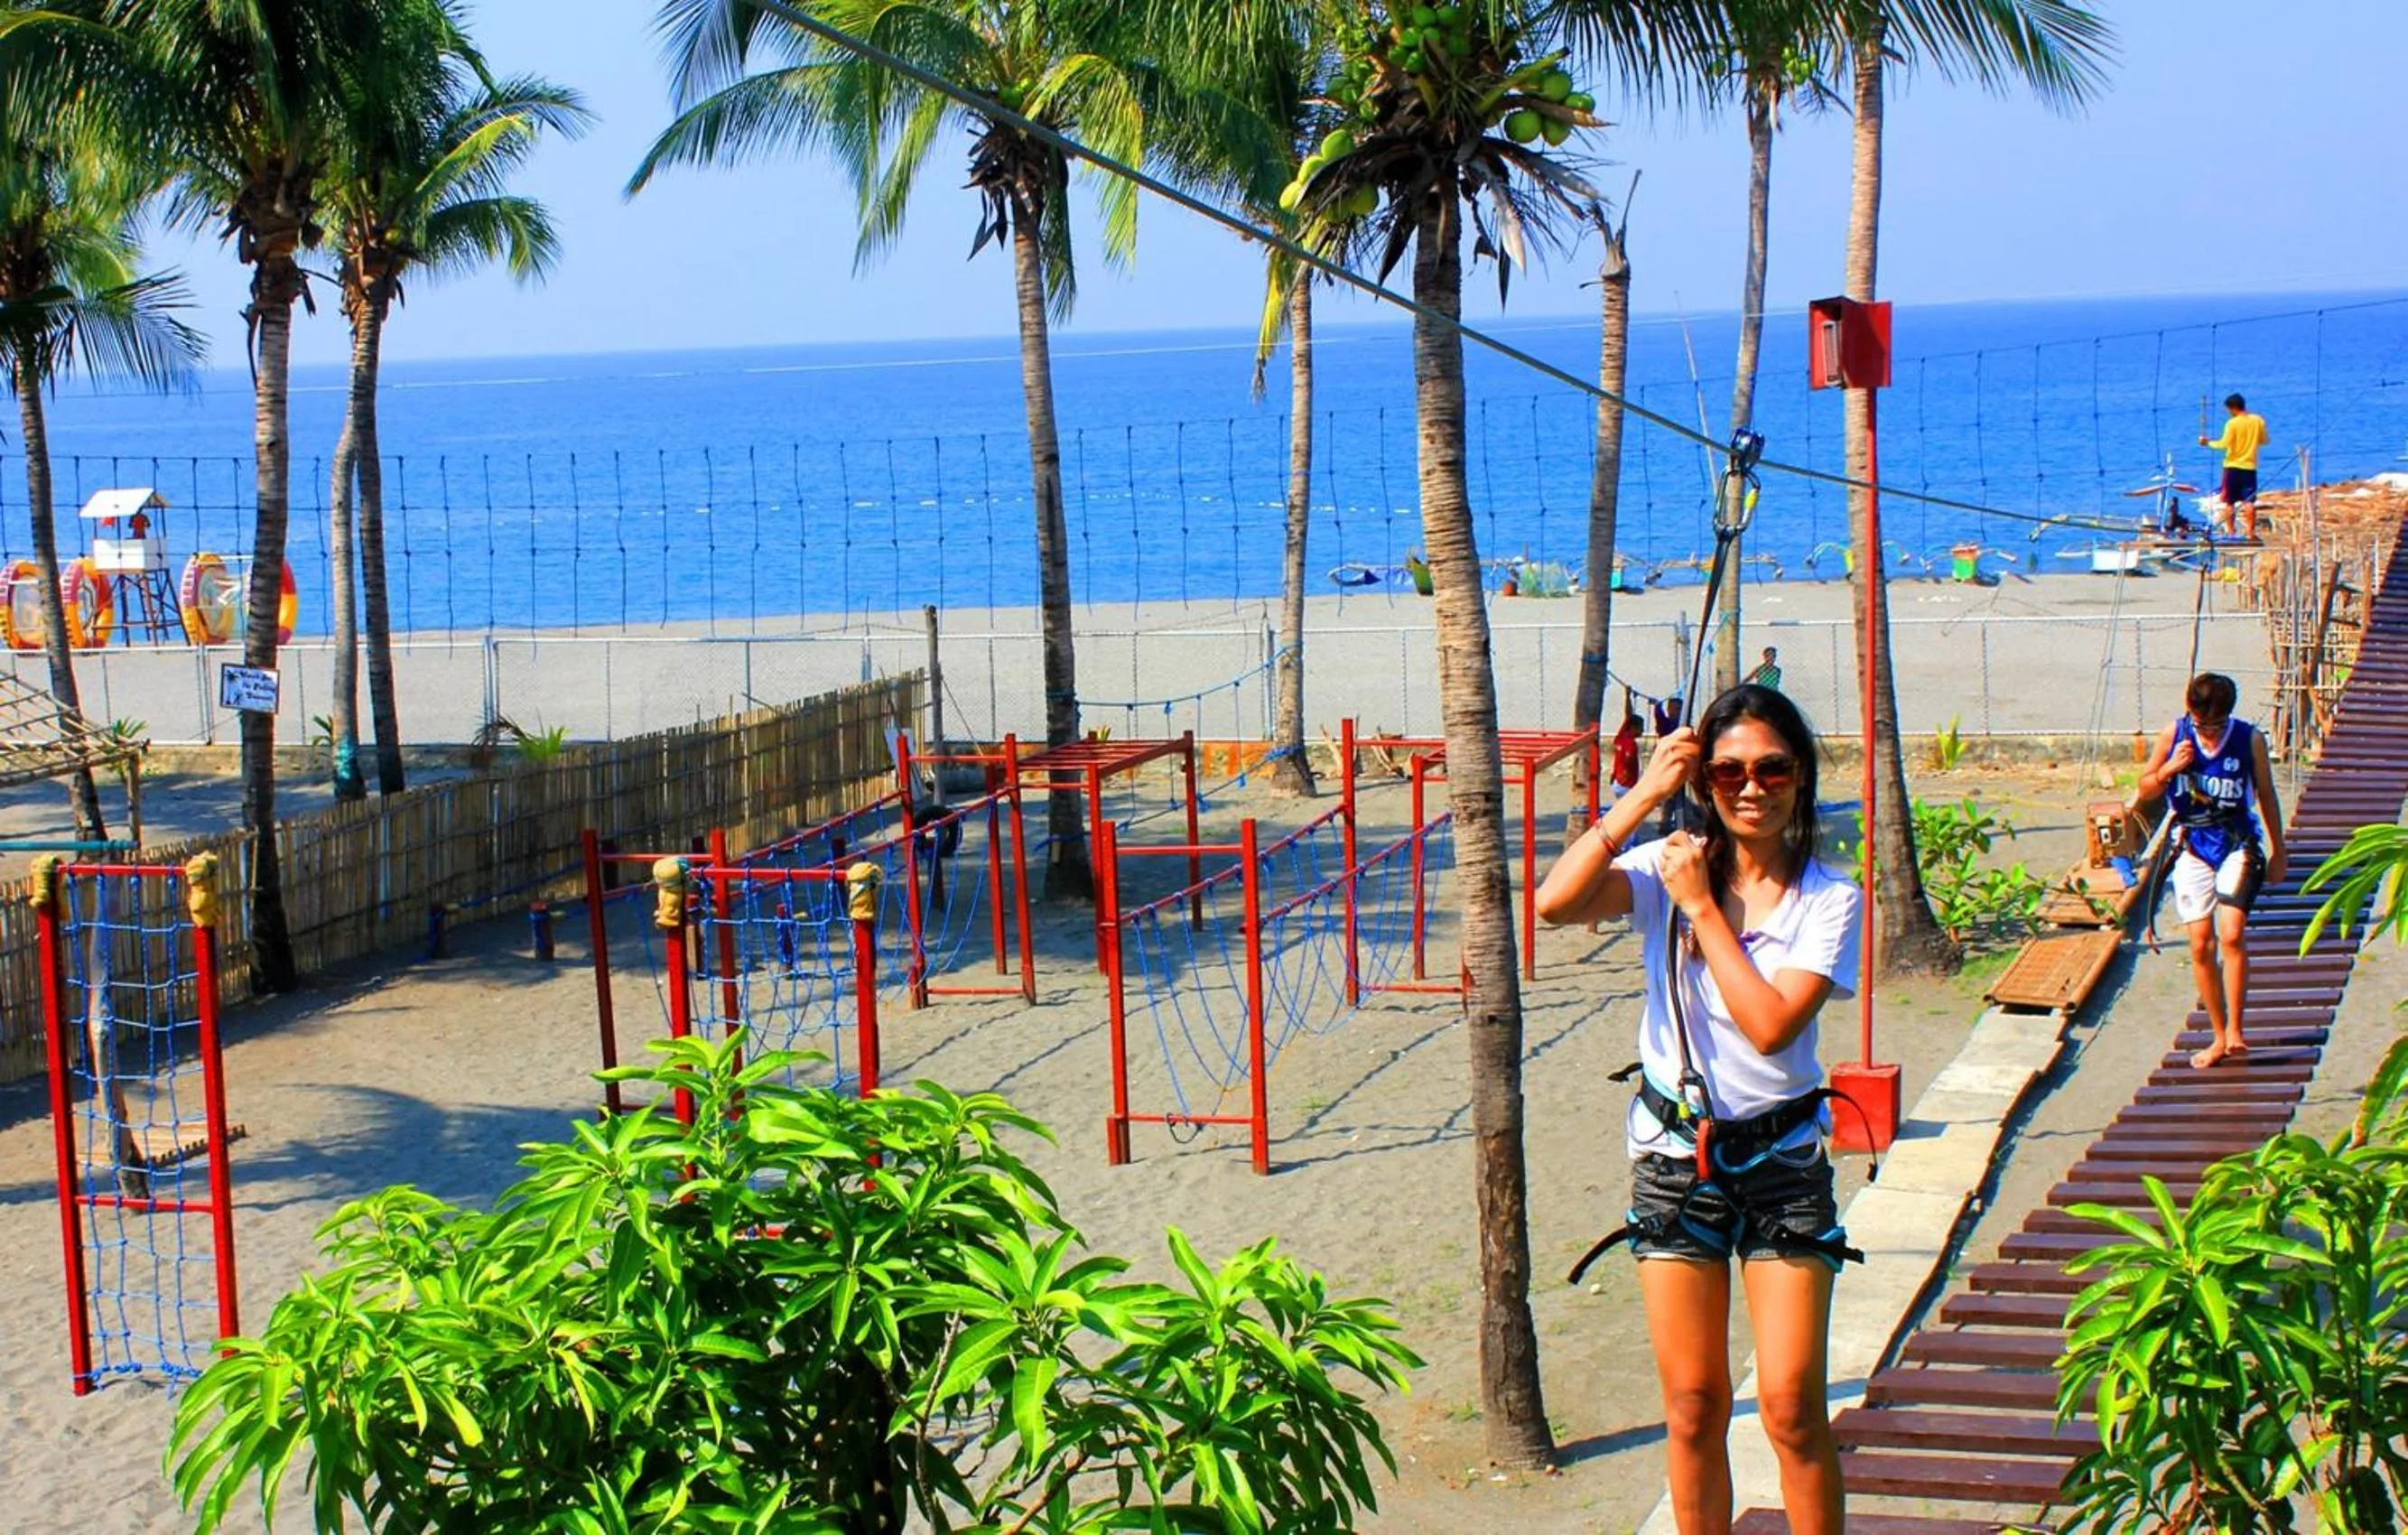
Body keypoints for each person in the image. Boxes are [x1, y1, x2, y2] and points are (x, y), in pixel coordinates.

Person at [1537, 684, 1863, 1535]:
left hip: (1783, 1168)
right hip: (1674, 1162)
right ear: (1702, 781)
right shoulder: (1668, 862)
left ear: (1800, 777)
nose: (1749, 788)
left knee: (1791, 1406)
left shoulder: (1829, 899)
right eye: (1725, 773)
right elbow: (1554, 902)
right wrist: (1642, 794)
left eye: (1771, 769)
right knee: (1691, 1404)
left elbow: (1768, 1028)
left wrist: (1697, 909)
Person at [2136, 672, 2286, 1069]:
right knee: (2201, 944)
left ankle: (2236, 1030)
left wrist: (2279, 851)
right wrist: (2170, 769)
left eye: (2215, 725)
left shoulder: (2248, 739)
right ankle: (2218, 1036)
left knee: (2232, 934)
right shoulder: (2175, 734)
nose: (2207, 732)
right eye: (2202, 724)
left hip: (2236, 843)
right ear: (2191, 712)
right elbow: (2146, 789)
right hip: (2192, 846)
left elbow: (2267, 795)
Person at [2199, 393, 2268, 540]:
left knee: (2229, 501)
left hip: (2232, 466)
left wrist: (2207, 443)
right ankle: (2250, 533)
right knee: (2249, 501)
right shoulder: (2258, 421)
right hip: (2250, 466)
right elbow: (2264, 440)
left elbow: (2223, 444)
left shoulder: (2232, 423)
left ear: (2233, 408)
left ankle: (2231, 533)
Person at [1611, 694, 1643, 795]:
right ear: (1633, 728)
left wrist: (1628, 695)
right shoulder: (1631, 743)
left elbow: (1628, 715)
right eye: (1640, 728)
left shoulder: (1621, 736)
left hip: (1617, 782)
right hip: (1625, 784)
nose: (1643, 730)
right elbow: (1628, 759)